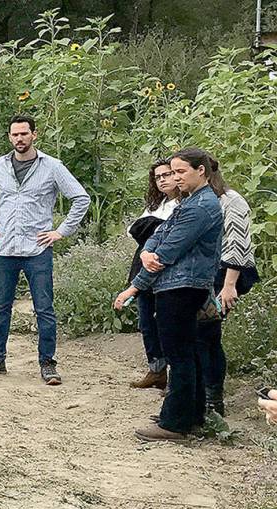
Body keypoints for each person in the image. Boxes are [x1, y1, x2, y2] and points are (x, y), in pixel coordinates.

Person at [113, 147, 223, 442]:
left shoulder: (201, 206)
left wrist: (135, 285)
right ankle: (192, 415)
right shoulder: (191, 201)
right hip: (180, 285)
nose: (176, 178)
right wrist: (147, 251)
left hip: (181, 287)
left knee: (179, 355)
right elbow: (159, 235)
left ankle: (174, 423)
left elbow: (169, 250)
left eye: (181, 172)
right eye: (173, 172)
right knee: (188, 352)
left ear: (201, 170)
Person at [0, 115, 90, 385]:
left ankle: (48, 364)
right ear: (9, 137)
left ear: (34, 134)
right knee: (1, 307)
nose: (19, 138)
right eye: (15, 134)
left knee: (44, 309)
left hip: (37, 249)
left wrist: (61, 231)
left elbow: (80, 198)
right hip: (5, 248)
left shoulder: (52, 167)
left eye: (24, 133)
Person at [195, 158, 258, 415]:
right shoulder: (196, 200)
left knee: (207, 334)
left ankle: (213, 399)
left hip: (226, 273)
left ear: (203, 172)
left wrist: (229, 284)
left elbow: (238, 243)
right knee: (198, 334)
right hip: (206, 272)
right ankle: (199, 396)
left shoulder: (231, 200)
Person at [127, 159, 182, 390]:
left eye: (167, 175)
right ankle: (156, 370)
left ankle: (176, 379)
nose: (162, 180)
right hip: (145, 267)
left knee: (169, 324)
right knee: (147, 320)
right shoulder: (156, 204)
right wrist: (154, 225)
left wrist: (151, 227)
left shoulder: (186, 204)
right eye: (158, 177)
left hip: (170, 270)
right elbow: (132, 229)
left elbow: (170, 235)